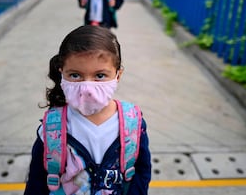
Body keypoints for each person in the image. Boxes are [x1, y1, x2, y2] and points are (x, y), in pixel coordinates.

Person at [24, 25, 151, 194]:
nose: (87, 88)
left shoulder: (133, 124)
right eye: (75, 75)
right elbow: (36, 182)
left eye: (100, 76)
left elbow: (141, 173)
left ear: (118, 75)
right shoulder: (51, 129)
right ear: (62, 73)